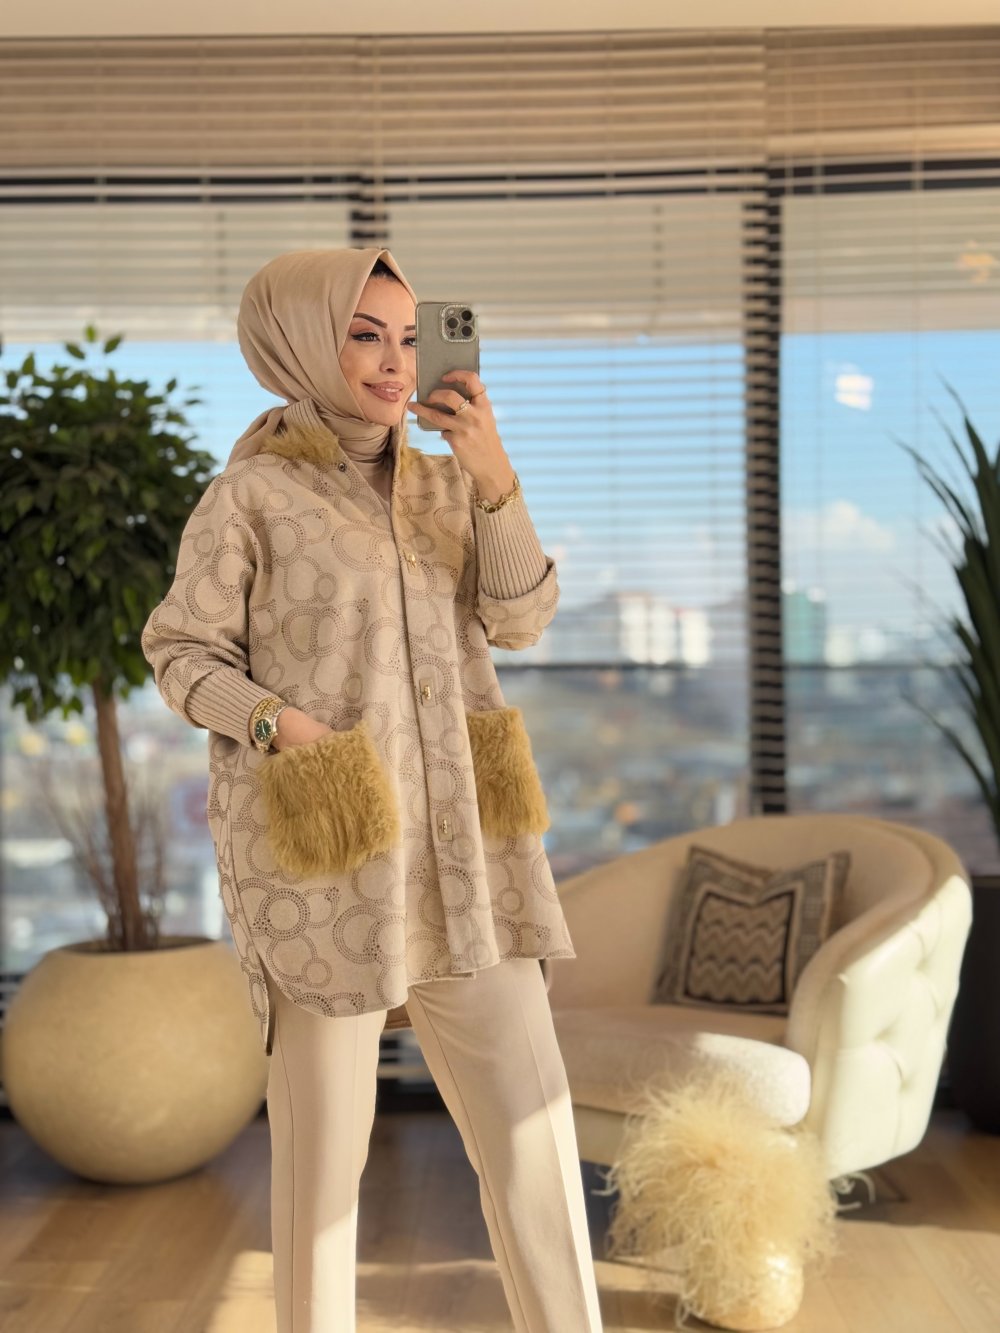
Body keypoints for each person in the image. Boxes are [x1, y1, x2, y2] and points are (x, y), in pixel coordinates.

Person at [140, 246, 604, 1333]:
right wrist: (282, 726)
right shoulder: (250, 495)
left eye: (407, 337)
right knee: (323, 1183)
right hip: (328, 859)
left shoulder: (448, 483)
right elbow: (180, 651)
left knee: (535, 1139)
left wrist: (491, 470)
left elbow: (522, 619)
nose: (396, 362)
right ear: (302, 343)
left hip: (467, 852)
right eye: (364, 335)